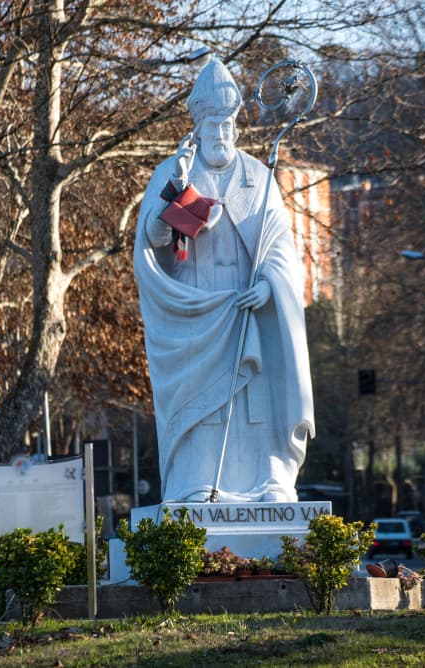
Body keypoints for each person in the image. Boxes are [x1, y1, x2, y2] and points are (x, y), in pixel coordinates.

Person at [133, 59, 314, 503]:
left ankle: (268, 480)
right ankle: (197, 481)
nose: (219, 136)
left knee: (256, 397)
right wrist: (175, 189)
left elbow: (280, 248)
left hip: (247, 307)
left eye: (226, 128)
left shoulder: (258, 176)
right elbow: (152, 240)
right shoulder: (176, 171)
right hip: (196, 311)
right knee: (205, 402)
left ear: (235, 128)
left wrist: (271, 286)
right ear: (198, 129)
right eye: (211, 128)